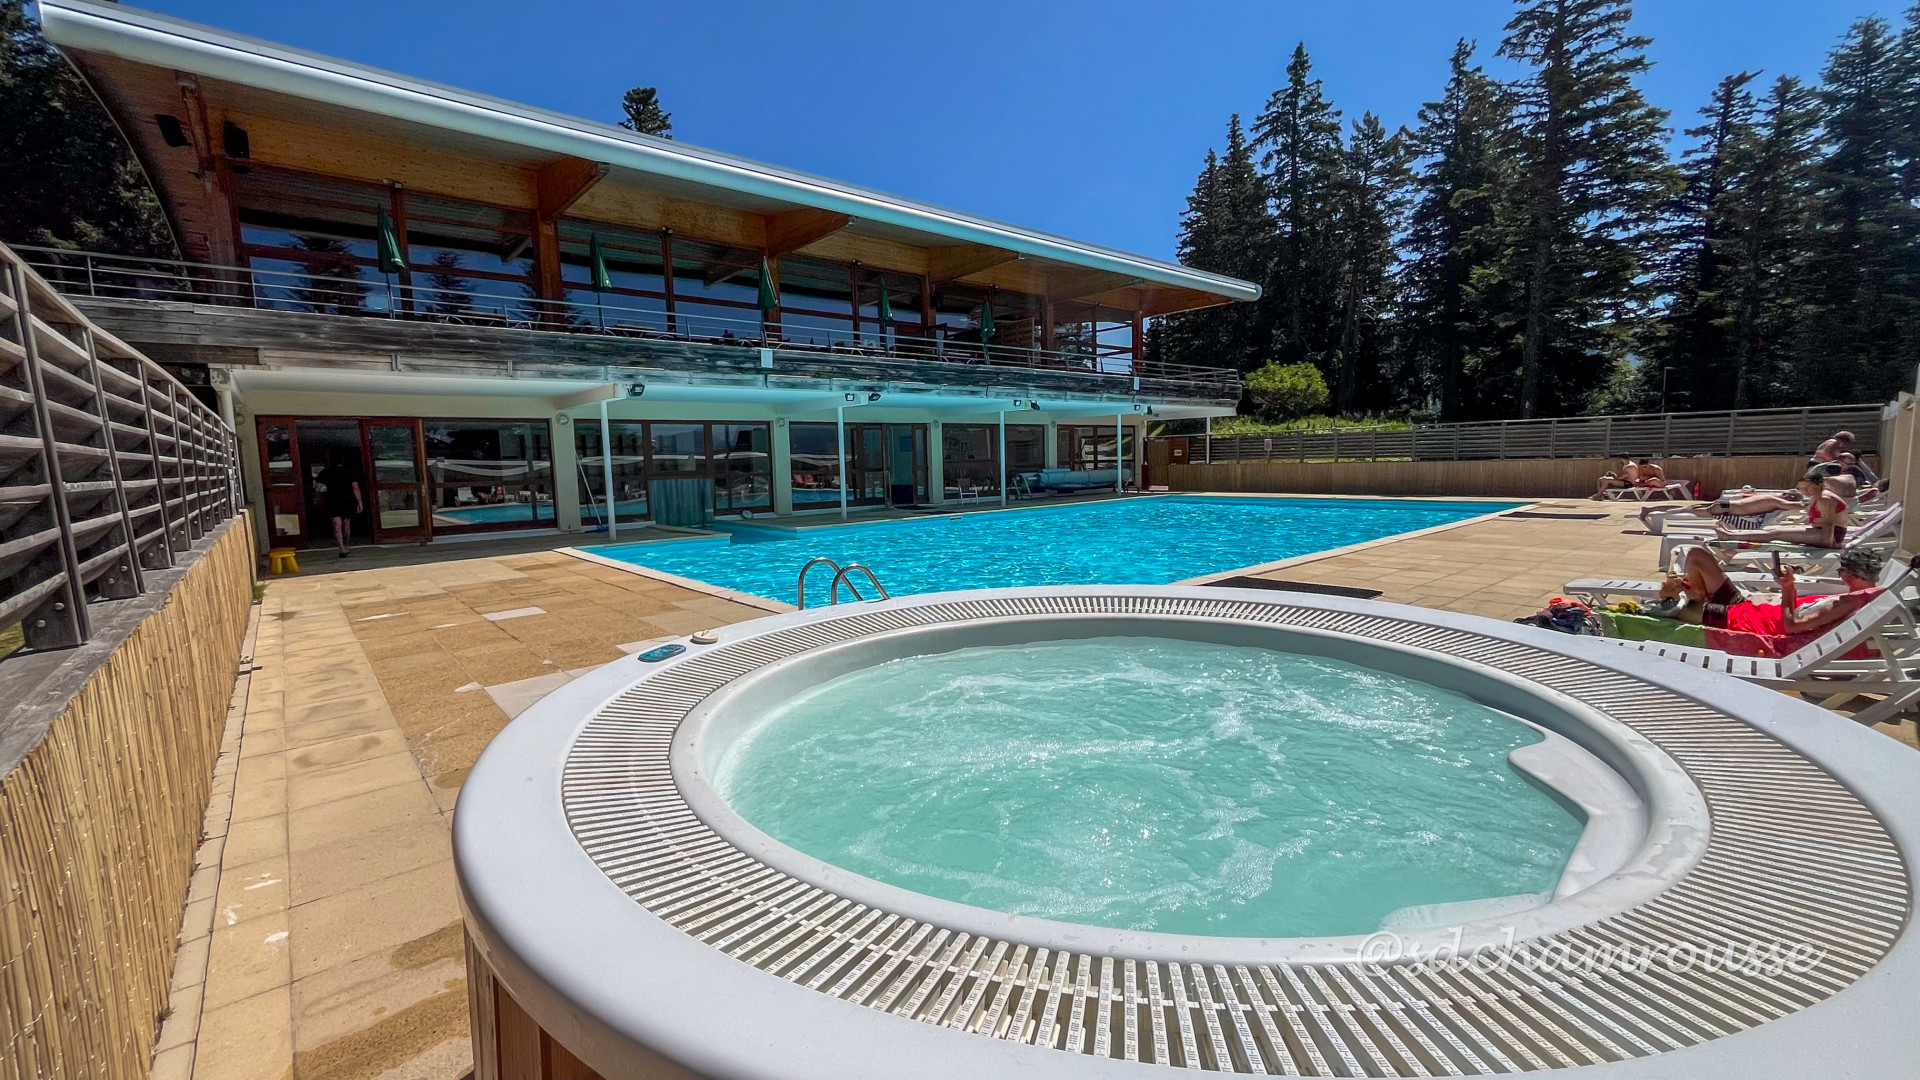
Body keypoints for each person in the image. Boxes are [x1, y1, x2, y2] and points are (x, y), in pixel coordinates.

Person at [1654, 546, 1886, 636]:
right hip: (1746, 609)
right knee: (1697, 555)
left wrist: (1788, 588)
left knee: (1667, 605)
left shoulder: (1844, 604)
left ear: (1849, 574)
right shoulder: (1859, 598)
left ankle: (1686, 596)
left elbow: (1792, 626)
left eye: (1841, 571)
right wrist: (1789, 588)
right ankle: (1695, 596)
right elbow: (1797, 614)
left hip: (1742, 622)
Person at [1713, 471, 1849, 548]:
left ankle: (1730, 536)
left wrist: (1827, 545)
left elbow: (1829, 524)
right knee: (1774, 530)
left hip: (1829, 536)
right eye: (1801, 488)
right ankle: (1731, 533)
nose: (1804, 491)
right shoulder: (1817, 495)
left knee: (1776, 533)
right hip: (1819, 531)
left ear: (1817, 485)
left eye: (1807, 488)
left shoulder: (1825, 498)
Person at [317, 458, 363, 557]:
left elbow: (319, 487)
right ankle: (346, 545)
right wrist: (359, 503)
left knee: (336, 525)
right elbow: (355, 488)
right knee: (346, 524)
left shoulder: (326, 472)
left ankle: (341, 548)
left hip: (332, 500)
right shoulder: (350, 472)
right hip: (347, 499)